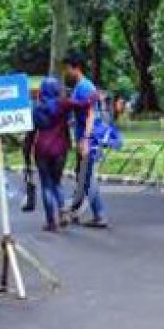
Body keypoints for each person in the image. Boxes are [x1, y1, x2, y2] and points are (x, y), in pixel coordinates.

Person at [64, 53, 108, 228]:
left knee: (88, 178)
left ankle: (99, 215)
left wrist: (85, 139)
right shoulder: (80, 87)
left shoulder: (84, 87)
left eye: (68, 68)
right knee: (82, 175)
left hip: (88, 139)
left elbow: (91, 115)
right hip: (84, 136)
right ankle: (74, 211)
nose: (66, 72)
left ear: (76, 68)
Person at [31, 78, 73, 232]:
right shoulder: (62, 107)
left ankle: (51, 221)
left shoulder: (36, 109)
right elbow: (68, 126)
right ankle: (62, 209)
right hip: (60, 149)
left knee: (46, 185)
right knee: (57, 182)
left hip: (42, 149)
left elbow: (31, 133)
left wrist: (27, 151)